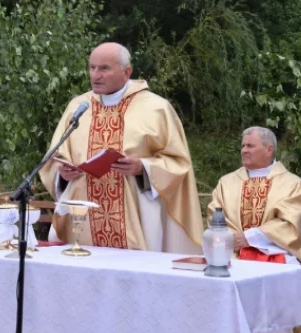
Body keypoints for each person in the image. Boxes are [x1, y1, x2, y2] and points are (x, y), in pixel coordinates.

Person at [38, 42, 203, 254]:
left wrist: (142, 168)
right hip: (83, 221)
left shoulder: (156, 108)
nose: (96, 75)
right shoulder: (78, 107)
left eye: (104, 68)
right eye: (92, 67)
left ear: (127, 72)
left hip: (137, 216)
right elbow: (54, 158)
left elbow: (179, 163)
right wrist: (62, 174)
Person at [206, 126, 301, 333]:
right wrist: (231, 239)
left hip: (277, 255)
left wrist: (249, 238)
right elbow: (215, 218)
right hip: (232, 254)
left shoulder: (292, 184)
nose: (243, 150)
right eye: (243, 145)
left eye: (250, 146)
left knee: (276, 288)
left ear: (269, 150)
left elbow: (291, 225)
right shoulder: (227, 183)